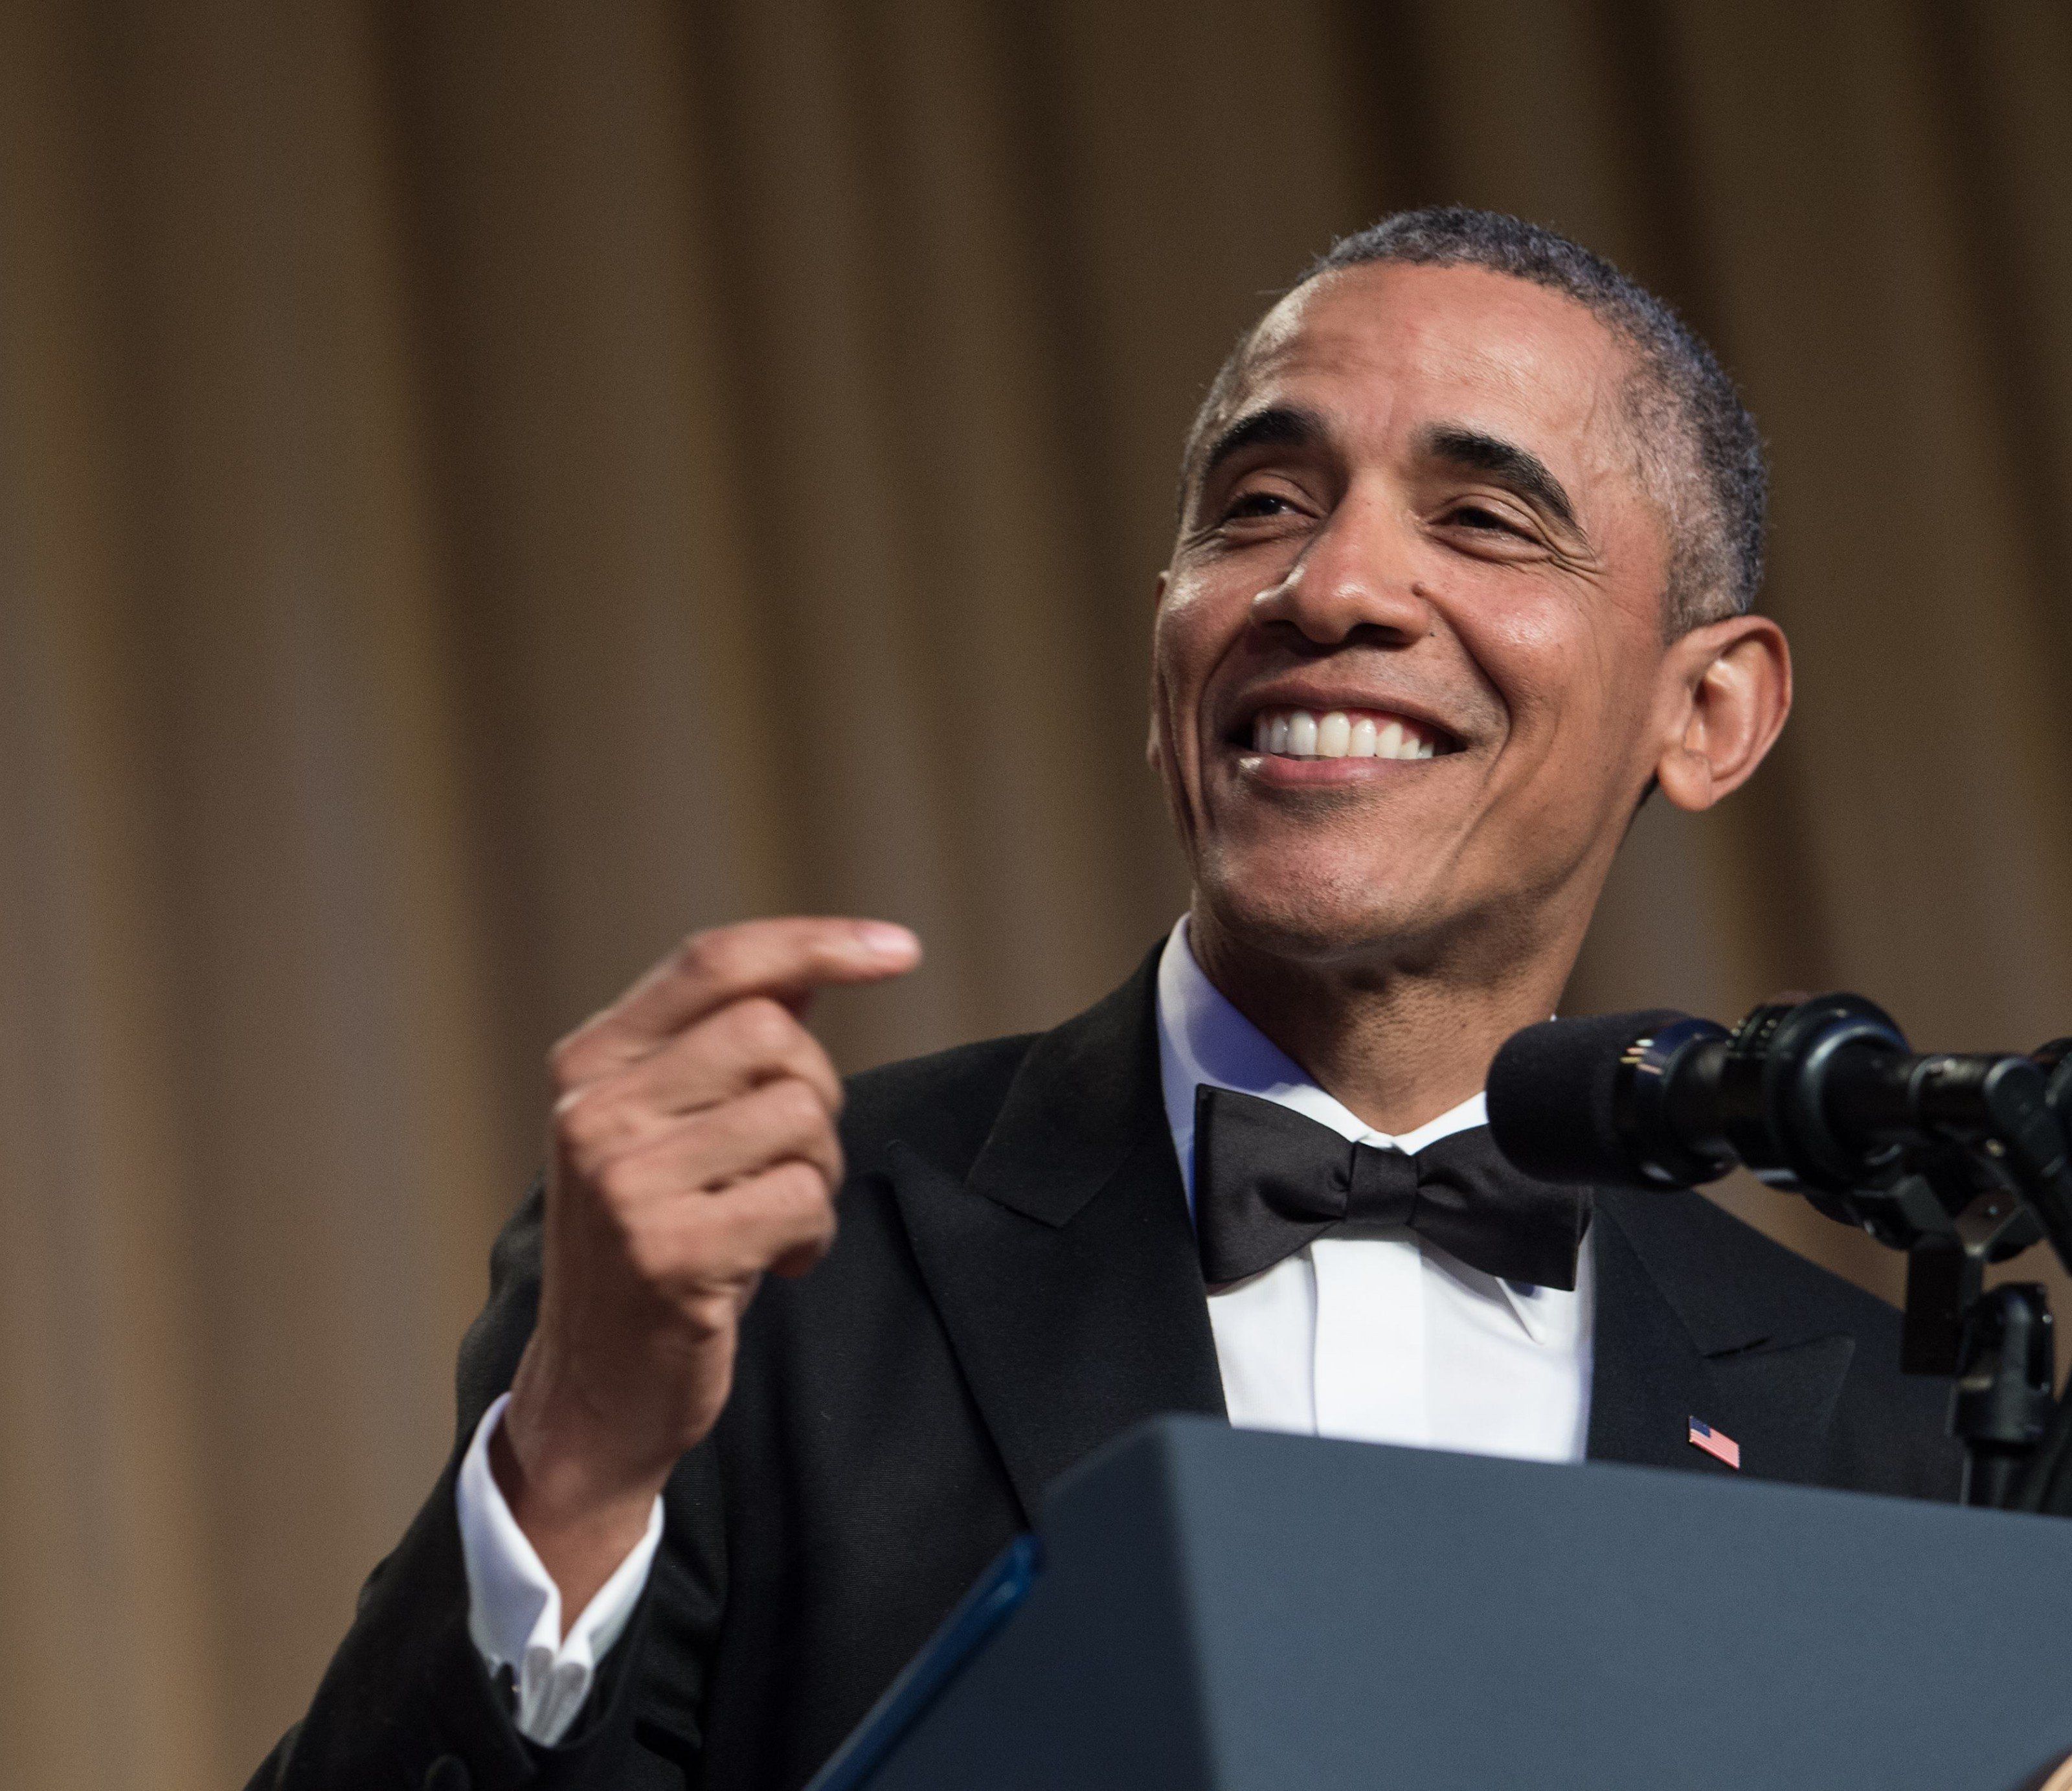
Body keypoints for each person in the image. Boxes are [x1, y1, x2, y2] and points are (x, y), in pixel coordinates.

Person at [252, 208, 1958, 1791]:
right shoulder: (759, 1269)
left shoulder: (1894, 1437)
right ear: (1167, 659)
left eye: (1484, 519)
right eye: (1260, 507)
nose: (1331, 587)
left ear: (1711, 713)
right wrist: (569, 1468)